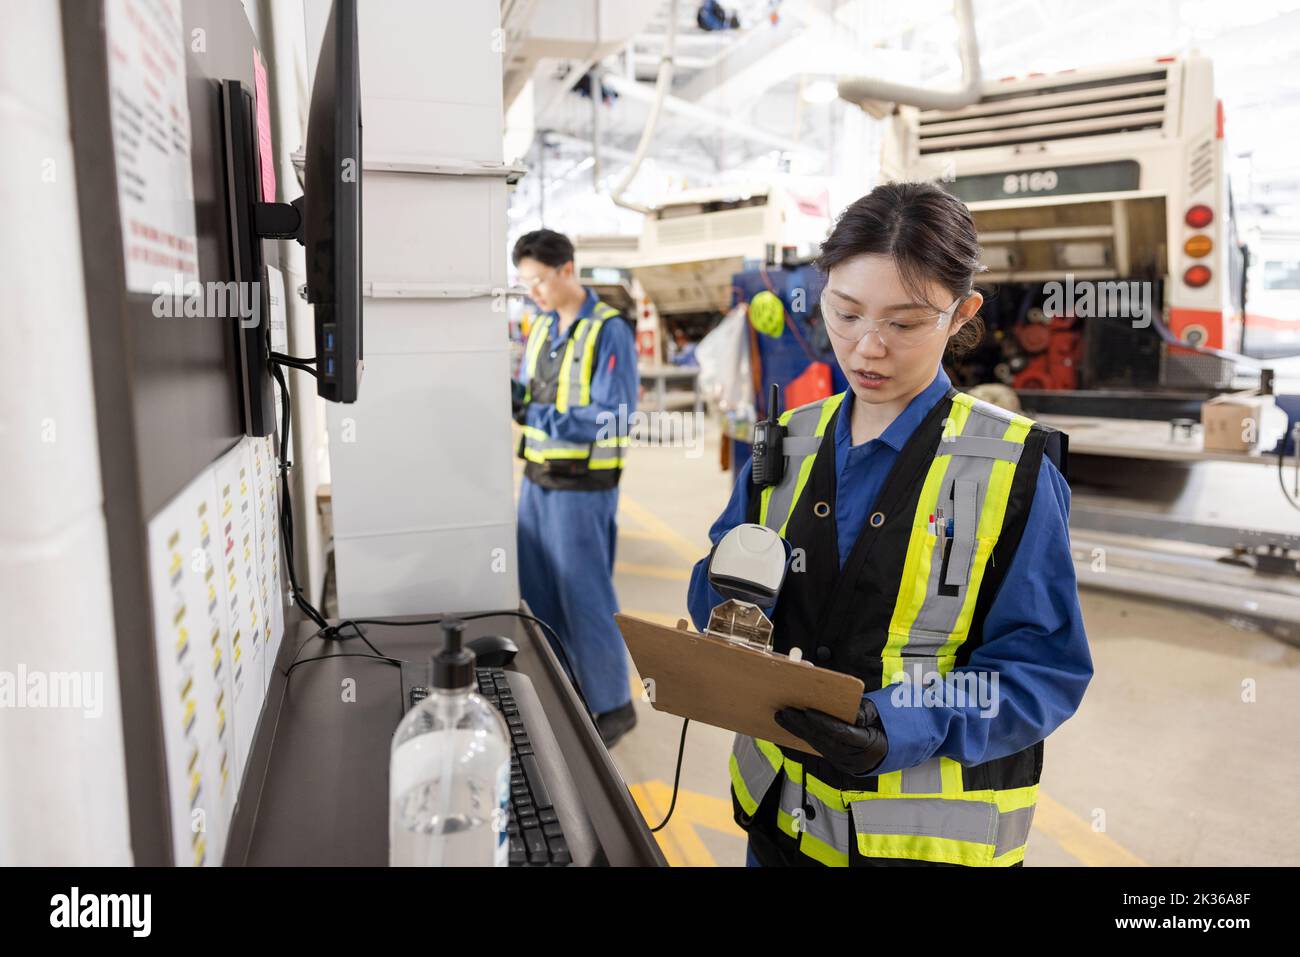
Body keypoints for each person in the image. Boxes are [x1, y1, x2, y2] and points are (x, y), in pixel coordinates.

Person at [686, 182, 1093, 867]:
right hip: (778, 823)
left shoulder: (1013, 467)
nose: (867, 348)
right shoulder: (781, 442)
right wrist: (725, 599)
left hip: (920, 847)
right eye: (845, 314)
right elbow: (715, 585)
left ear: (962, 312)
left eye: (904, 323)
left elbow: (1041, 669)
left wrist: (904, 721)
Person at [512, 229, 640, 747]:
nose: (534, 292)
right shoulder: (540, 325)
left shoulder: (609, 330)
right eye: (526, 283)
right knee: (539, 596)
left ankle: (612, 705)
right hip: (537, 482)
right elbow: (530, 390)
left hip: (582, 487)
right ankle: (567, 689)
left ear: (568, 269)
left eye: (540, 280)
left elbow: (615, 415)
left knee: (584, 594)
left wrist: (534, 412)